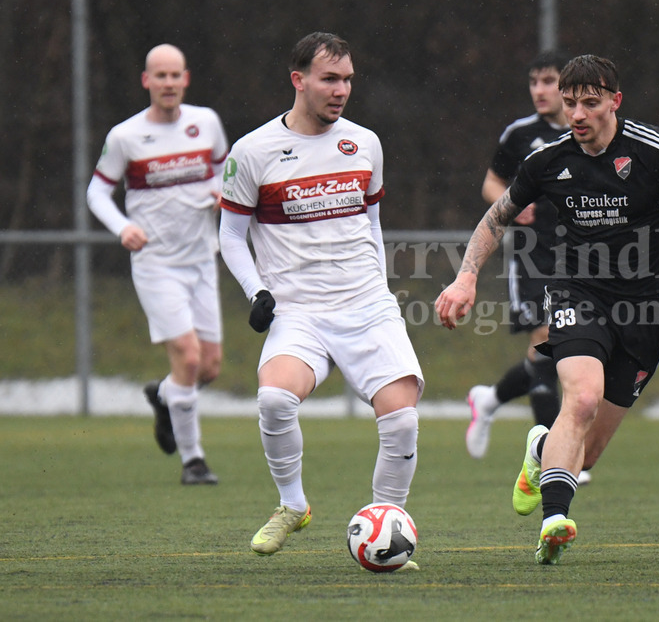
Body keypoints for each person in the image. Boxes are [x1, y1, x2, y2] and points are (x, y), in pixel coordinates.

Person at [435, 54, 659, 565]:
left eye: (590, 103)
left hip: (646, 310)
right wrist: (465, 277)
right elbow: (496, 216)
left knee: (587, 452)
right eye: (571, 102)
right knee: (579, 400)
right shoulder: (549, 160)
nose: (577, 114)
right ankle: (555, 521)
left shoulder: (658, 152)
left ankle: (539, 452)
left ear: (615, 102)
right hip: (578, 293)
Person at [219, 32, 423, 560]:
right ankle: (293, 505)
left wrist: (376, 286)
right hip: (299, 311)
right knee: (274, 399)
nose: (341, 90)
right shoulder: (252, 151)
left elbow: (372, 223)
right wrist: (256, 291)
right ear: (299, 80)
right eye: (330, 79)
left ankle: (387, 525)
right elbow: (230, 236)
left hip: (365, 305)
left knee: (401, 417)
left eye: (348, 79)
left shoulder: (366, 143)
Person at [87, 43, 227, 486]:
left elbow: (226, 170)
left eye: (175, 75)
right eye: (159, 76)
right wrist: (121, 226)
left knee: (209, 367)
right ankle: (194, 460)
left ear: (186, 79)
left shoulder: (205, 124)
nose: (168, 83)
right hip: (156, 264)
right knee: (186, 357)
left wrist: (222, 192)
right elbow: (95, 192)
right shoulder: (125, 136)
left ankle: (165, 397)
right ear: (146, 81)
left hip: (202, 259)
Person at [465, 50, 579, 471]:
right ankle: (555, 459)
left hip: (583, 260)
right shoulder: (520, 135)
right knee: (548, 347)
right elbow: (491, 185)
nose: (540, 91)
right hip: (533, 259)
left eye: (548, 81)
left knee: (553, 354)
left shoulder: (589, 132)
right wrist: (512, 205)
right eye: (534, 82)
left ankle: (490, 399)